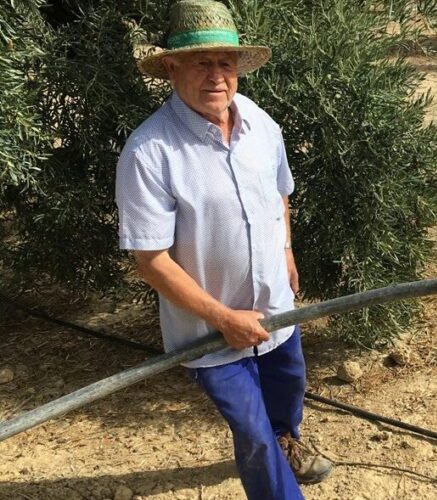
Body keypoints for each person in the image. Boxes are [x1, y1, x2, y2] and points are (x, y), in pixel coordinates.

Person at [115, 1, 332, 498]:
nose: (217, 76)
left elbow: (279, 191)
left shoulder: (258, 122)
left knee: (286, 395)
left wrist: (287, 251)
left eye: (225, 63)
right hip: (211, 336)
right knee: (252, 435)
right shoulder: (149, 153)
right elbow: (151, 261)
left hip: (277, 311)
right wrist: (223, 318)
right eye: (201, 62)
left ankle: (289, 440)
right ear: (170, 67)